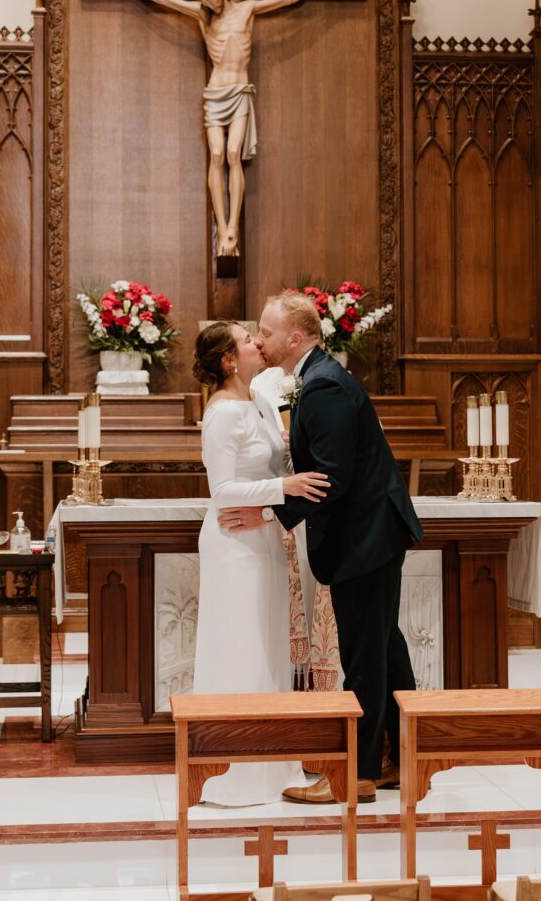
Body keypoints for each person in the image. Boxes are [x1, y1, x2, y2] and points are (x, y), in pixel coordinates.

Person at [218, 292, 423, 803]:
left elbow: (330, 477)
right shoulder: (319, 377)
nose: (259, 339)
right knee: (385, 647)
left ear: (295, 337)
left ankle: (356, 775)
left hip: (366, 537)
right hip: (372, 533)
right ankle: (401, 757)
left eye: (265, 331)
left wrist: (269, 512)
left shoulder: (324, 386)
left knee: (365, 656)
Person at [100, 0, 347, 258]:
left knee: (233, 154)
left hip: (240, 91)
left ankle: (233, 226)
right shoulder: (203, 17)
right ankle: (221, 225)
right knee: (216, 154)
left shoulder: (247, 9)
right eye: (203, 1)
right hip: (215, 92)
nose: (209, 5)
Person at [192, 320, 330, 806]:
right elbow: (221, 491)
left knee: (270, 642)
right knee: (241, 642)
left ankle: (274, 761)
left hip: (265, 534)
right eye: (248, 339)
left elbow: (281, 462)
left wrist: (285, 491)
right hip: (233, 542)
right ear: (229, 359)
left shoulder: (263, 401)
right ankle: (237, 766)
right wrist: (283, 490)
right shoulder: (223, 414)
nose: (257, 341)